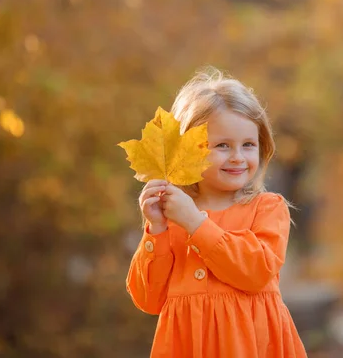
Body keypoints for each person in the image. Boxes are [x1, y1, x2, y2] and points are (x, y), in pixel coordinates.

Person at [126, 67, 307, 357]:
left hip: (252, 347)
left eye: (248, 145)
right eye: (222, 146)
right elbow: (148, 299)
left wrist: (196, 224)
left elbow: (255, 272)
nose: (238, 157)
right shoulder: (173, 216)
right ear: (187, 150)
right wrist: (156, 230)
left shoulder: (267, 208)